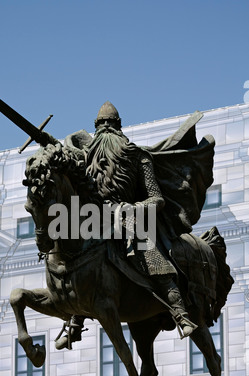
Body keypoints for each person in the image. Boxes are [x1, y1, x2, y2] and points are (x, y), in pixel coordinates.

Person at [54, 102, 215, 349]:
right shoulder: (87, 157)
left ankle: (180, 312)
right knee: (77, 256)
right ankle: (75, 322)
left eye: (109, 125)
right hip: (95, 219)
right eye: (101, 126)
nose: (105, 130)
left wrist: (133, 208)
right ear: (96, 130)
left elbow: (157, 199)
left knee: (152, 258)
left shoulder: (139, 157)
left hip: (131, 220)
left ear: (118, 128)